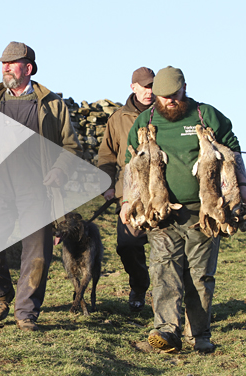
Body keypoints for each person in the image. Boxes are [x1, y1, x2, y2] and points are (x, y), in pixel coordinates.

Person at [120, 66, 246, 353]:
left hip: (204, 213)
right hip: (160, 214)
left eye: (174, 95)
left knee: (200, 275)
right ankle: (166, 332)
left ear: (185, 89)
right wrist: (127, 201)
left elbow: (232, 150)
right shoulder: (146, 120)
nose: (169, 101)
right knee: (163, 269)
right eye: (163, 96)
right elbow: (131, 164)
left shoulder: (207, 115)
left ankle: (200, 335)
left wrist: (242, 186)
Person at [0, 41, 82, 331]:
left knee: (38, 253)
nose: (5, 67)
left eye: (12, 62)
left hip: (38, 188)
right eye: (3, 63)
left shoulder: (52, 104)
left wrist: (59, 170)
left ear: (28, 68)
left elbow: (70, 146)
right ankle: (1, 293)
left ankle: (26, 312)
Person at [97, 67, 154, 312]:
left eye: (153, 86)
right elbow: (107, 154)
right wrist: (109, 186)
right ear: (134, 87)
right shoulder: (118, 118)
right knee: (128, 245)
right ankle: (139, 286)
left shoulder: (164, 113)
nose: (149, 91)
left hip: (162, 193)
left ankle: (170, 299)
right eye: (145, 86)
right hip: (129, 195)